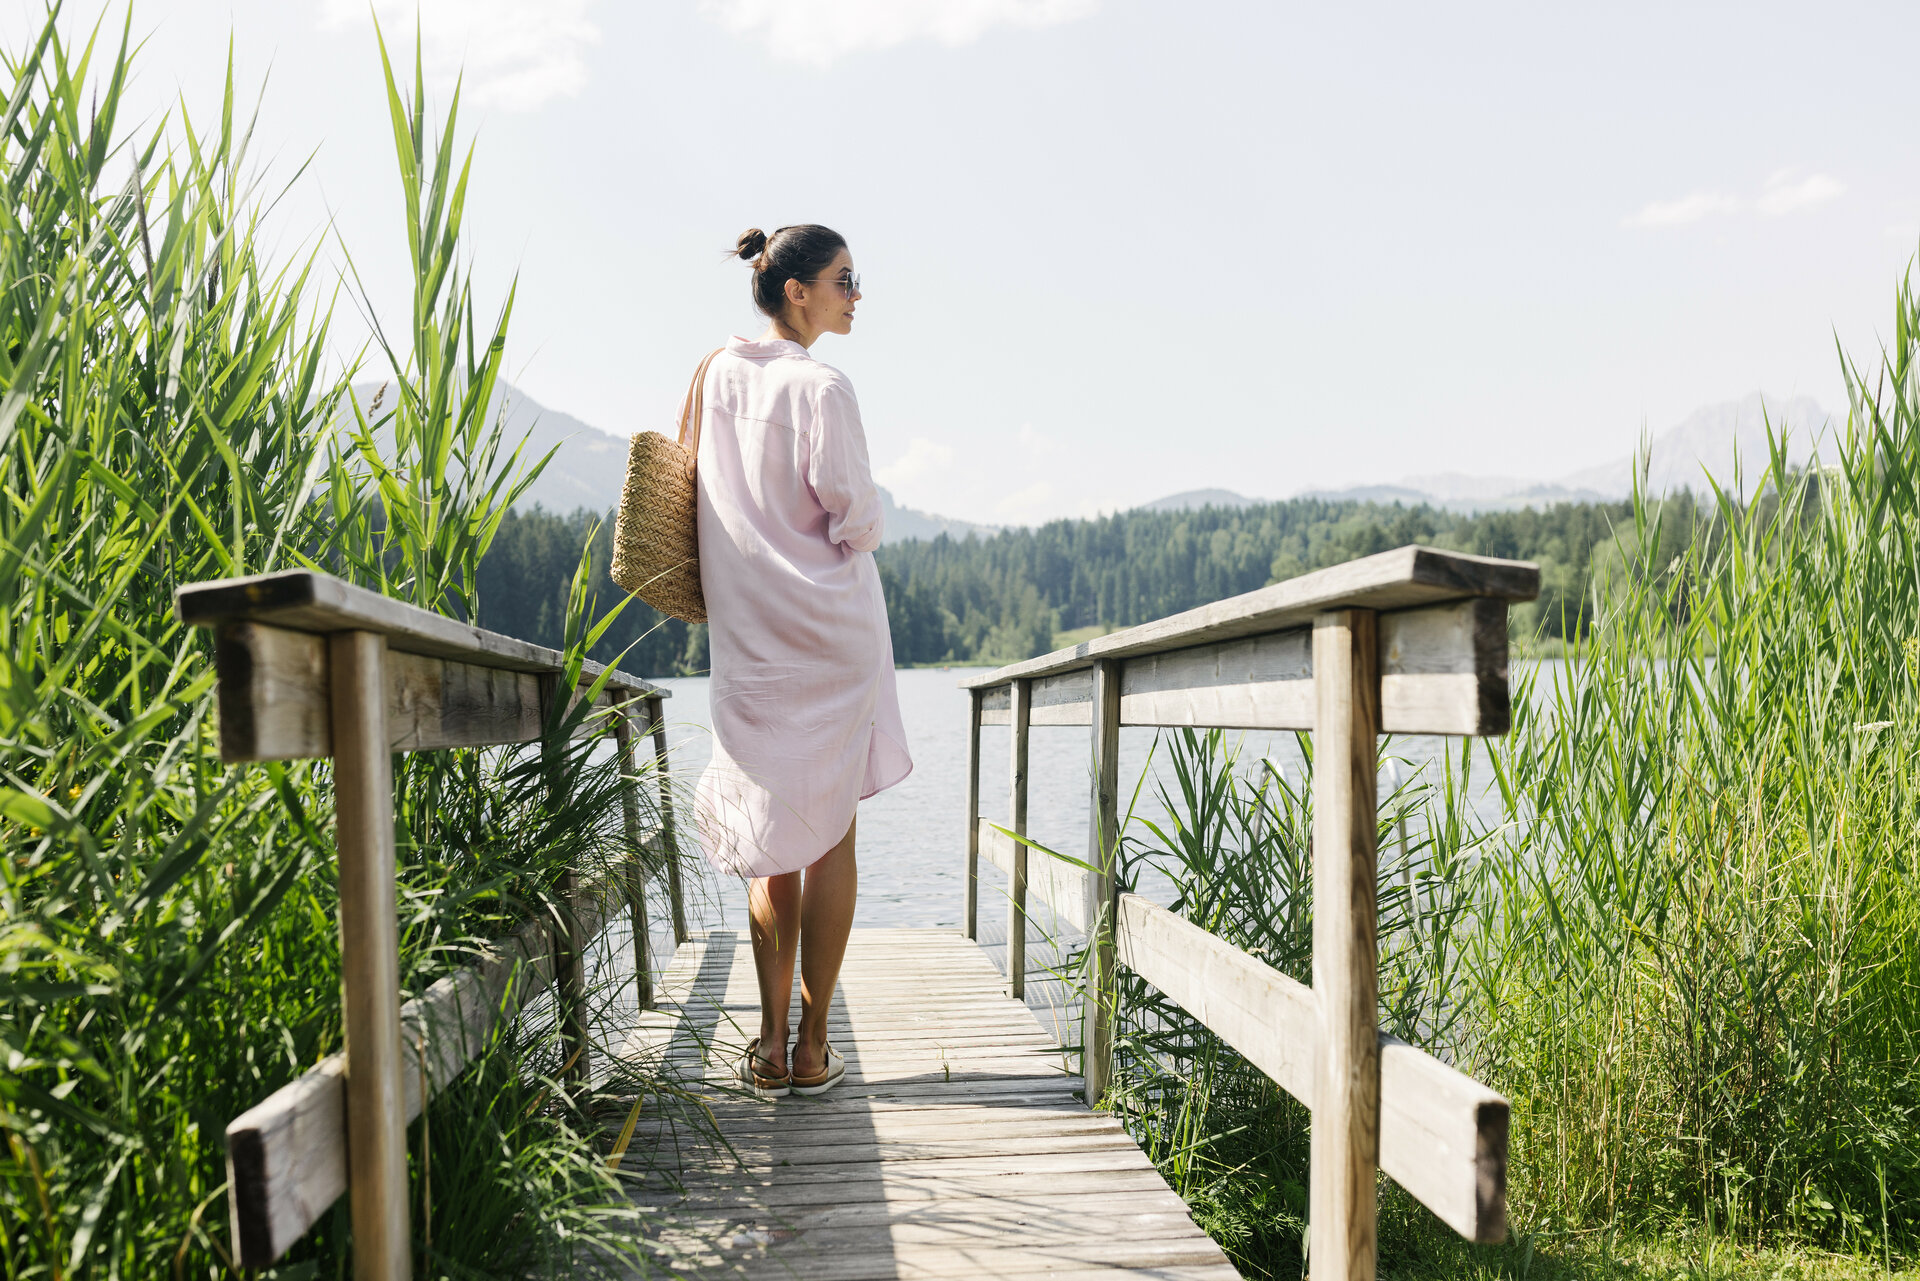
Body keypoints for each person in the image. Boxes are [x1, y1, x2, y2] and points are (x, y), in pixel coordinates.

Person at [689, 223, 912, 1099]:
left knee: (767, 839)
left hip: (750, 645)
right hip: (830, 638)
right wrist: (869, 521)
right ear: (797, 291)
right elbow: (853, 514)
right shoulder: (822, 385)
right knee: (831, 835)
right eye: (846, 279)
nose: (858, 294)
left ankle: (768, 1047)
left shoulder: (713, 375)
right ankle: (814, 1048)